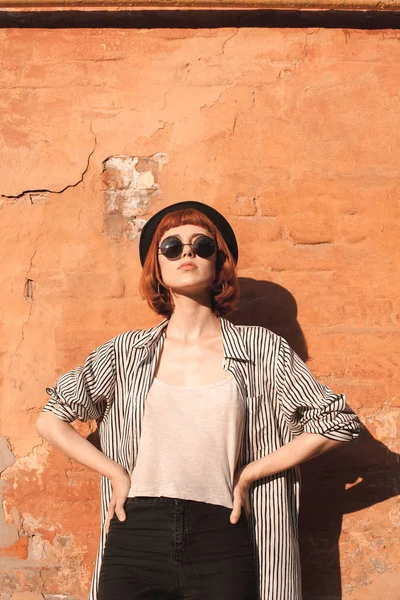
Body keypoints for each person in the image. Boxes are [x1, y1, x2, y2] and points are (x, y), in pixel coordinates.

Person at [36, 200, 361, 600]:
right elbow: (51, 419)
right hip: (137, 529)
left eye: (202, 244)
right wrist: (116, 473)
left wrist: (251, 473)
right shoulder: (125, 354)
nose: (186, 251)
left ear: (219, 262)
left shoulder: (262, 351)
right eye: (171, 246)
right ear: (157, 266)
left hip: (223, 530)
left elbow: (337, 422)